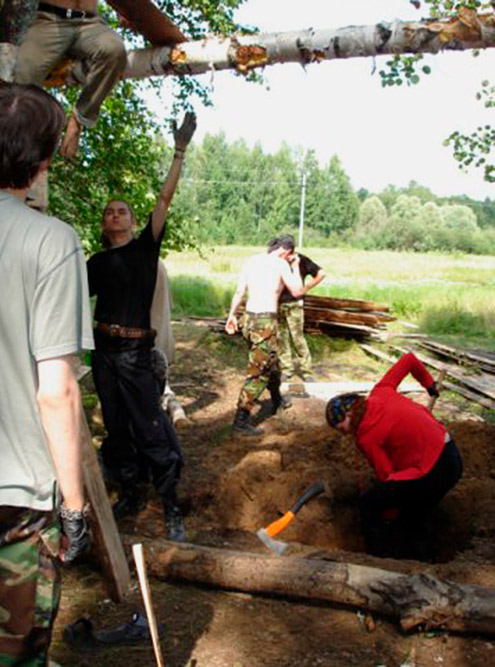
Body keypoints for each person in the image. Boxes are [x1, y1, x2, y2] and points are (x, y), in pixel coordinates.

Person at [0, 82, 93, 664]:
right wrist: (76, 506)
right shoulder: (51, 242)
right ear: (42, 163)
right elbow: (56, 392)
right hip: (19, 502)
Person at [87, 112, 196, 541]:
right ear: (104, 224)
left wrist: (180, 151)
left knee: (151, 429)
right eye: (110, 212)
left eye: (123, 211)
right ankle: (130, 493)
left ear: (133, 222)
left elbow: (165, 199)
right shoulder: (94, 263)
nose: (116, 215)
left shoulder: (145, 251)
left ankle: (171, 505)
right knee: (116, 430)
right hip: (104, 354)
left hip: (136, 356)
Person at [325, 352, 463, 561]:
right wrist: (429, 384)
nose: (342, 432)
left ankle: (380, 558)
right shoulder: (381, 391)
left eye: (339, 426)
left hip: (433, 471)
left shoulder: (367, 437)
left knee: (370, 505)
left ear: (350, 414)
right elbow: (409, 360)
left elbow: (386, 475)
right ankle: (424, 558)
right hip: (451, 454)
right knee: (417, 508)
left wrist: (389, 515)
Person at [14, 0, 128, 158]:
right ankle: (18, 148)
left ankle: (79, 119)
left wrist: (126, 11)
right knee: (22, 78)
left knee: (115, 50)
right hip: (50, 19)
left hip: (90, 22)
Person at [225, 236, 305, 436]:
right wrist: (295, 266)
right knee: (258, 373)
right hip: (265, 323)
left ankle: (277, 400)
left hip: (249, 320)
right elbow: (297, 291)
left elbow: (239, 293)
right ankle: (240, 421)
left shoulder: (251, 261)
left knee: (272, 361)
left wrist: (231, 316)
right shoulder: (281, 263)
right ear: (286, 251)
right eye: (290, 256)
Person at [275, 234, 326, 382]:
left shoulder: (301, 260)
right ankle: (286, 369)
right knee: (281, 338)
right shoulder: (277, 261)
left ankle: (306, 371)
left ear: (290, 250)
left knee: (298, 338)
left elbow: (321, 273)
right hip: (278, 304)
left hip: (294, 305)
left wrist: (306, 288)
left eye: (283, 250)